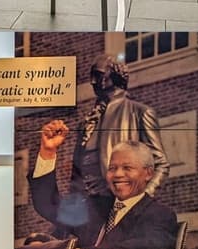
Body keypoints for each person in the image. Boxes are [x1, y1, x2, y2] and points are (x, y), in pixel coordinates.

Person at [26, 124, 178, 249]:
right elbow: (49, 205)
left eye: (127, 168)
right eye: (112, 168)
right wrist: (48, 152)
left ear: (148, 173)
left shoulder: (159, 214)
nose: (118, 174)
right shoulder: (95, 207)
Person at [72, 54, 169, 197]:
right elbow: (76, 175)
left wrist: (141, 200)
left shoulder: (139, 113)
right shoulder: (86, 123)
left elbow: (160, 164)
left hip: (120, 204)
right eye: (91, 76)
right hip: (88, 209)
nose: (92, 82)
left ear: (115, 74)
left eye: (98, 75)